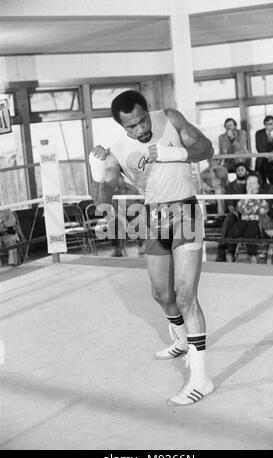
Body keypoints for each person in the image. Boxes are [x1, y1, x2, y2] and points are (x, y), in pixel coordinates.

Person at [89, 90, 214, 406]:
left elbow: (205, 147)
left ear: (148, 111)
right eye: (131, 127)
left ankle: (201, 379)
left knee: (186, 295)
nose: (140, 130)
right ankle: (181, 339)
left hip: (185, 211)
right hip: (152, 217)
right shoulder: (118, 149)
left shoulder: (170, 118)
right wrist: (95, 169)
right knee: (162, 294)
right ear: (121, 126)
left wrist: (177, 153)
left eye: (143, 120)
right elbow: (103, 194)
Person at [226, 172, 273, 263]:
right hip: (244, 220)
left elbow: (263, 210)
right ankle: (230, 253)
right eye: (248, 182)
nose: (250, 184)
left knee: (250, 232)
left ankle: (252, 255)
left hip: (258, 221)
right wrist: (247, 195)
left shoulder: (263, 194)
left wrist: (251, 200)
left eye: (253, 182)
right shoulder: (244, 195)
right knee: (233, 231)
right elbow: (240, 209)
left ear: (258, 184)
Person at [216, 163, 248, 262]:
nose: (240, 172)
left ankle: (228, 251)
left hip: (251, 213)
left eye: (242, 169)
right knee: (229, 220)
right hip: (236, 213)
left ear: (246, 171)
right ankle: (222, 250)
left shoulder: (251, 183)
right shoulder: (230, 186)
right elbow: (230, 205)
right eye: (238, 170)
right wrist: (237, 213)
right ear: (235, 172)